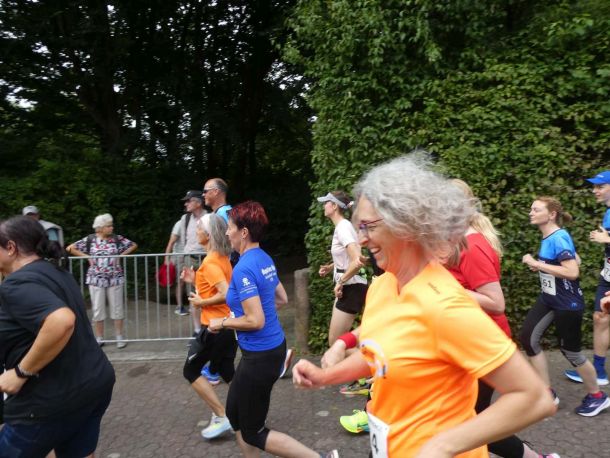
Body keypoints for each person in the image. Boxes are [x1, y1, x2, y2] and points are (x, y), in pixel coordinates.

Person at [293, 154, 555, 457]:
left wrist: (442, 446)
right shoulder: (382, 286)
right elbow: (382, 354)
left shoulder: (445, 305)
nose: (361, 240)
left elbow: (534, 398)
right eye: (359, 227)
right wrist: (325, 377)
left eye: (369, 227)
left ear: (406, 226)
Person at [207, 201, 338, 458]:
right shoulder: (263, 258)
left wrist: (222, 322)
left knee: (253, 431)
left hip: (261, 356)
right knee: (234, 414)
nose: (227, 233)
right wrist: (255, 313)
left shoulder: (243, 268)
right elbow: (281, 298)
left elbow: (255, 320)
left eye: (230, 227)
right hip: (266, 349)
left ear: (244, 232)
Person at [447, 180, 557, 458]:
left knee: (471, 422)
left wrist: (444, 290)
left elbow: (496, 303)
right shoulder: (457, 241)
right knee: (472, 420)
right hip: (468, 342)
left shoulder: (472, 246)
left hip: (484, 345)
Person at [0, 216, 115, 457]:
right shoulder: (57, 271)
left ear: (10, 248)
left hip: (47, 401)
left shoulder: (17, 284)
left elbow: (61, 321)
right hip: (93, 384)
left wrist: (20, 373)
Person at [520, 196, 609, 416]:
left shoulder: (558, 237)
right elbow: (576, 260)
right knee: (528, 338)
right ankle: (546, 393)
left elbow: (572, 271)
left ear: (551, 215)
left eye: (536, 210)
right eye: (531, 209)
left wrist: (536, 263)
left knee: (571, 352)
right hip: (549, 298)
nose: (531, 213)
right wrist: (544, 266)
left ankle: (597, 397)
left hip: (567, 303)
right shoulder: (553, 235)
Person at [180, 213, 237, 440]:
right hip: (227, 326)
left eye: (199, 228)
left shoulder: (212, 261)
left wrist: (201, 303)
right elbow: (215, 287)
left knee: (190, 370)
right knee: (226, 371)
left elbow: (226, 293)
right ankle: (250, 411)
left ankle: (223, 416)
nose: (196, 231)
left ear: (208, 234)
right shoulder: (221, 258)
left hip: (214, 328)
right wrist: (196, 280)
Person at [317, 191, 368, 398]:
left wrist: (341, 281)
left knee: (336, 341)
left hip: (351, 287)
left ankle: (371, 373)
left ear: (335, 206)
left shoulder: (343, 227)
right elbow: (348, 257)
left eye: (326, 202)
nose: (324, 206)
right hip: (350, 286)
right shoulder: (343, 226)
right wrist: (331, 267)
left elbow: (358, 260)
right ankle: (365, 375)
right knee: (340, 340)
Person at [565, 170, 610, 385]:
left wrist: (607, 240)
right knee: (600, 318)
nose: (594, 191)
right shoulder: (608, 213)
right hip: (607, 276)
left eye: (600, 187)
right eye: (594, 187)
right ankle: (598, 372)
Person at [66, 213, 137, 348]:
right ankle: (99, 337)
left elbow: (133, 245)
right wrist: (87, 256)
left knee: (117, 308)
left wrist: (121, 255)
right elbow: (70, 248)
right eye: (108, 226)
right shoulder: (90, 239)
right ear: (100, 228)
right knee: (98, 309)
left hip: (115, 278)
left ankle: (119, 336)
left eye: (111, 225)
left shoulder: (117, 238)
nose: (111, 228)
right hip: (96, 279)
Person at [178, 190, 207, 326]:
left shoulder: (209, 217)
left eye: (189, 201)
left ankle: (208, 324)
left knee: (207, 291)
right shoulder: (185, 219)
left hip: (206, 258)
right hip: (190, 258)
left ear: (198, 203)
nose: (186, 204)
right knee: (192, 294)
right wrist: (183, 258)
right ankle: (197, 329)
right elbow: (184, 240)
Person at [163, 218, 186, 311]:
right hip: (179, 257)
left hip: (190, 256)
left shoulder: (196, 222)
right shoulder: (180, 224)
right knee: (180, 282)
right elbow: (171, 242)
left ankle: (194, 305)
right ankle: (179, 306)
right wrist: (166, 258)